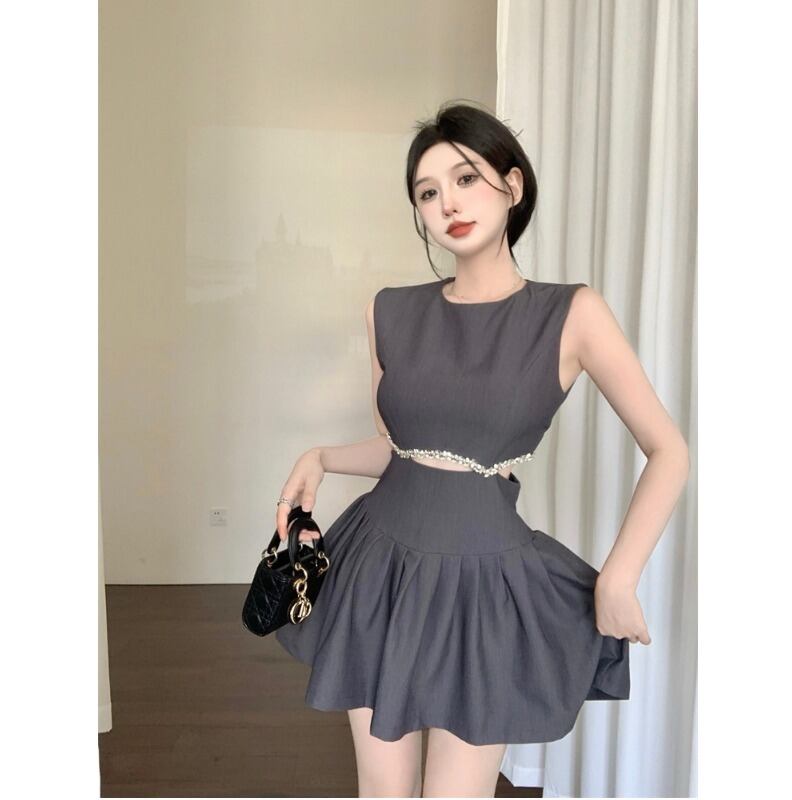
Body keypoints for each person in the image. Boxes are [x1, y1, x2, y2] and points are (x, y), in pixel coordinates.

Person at [272, 100, 691, 798]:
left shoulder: (571, 313)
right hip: (378, 570)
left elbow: (669, 450)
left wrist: (619, 577)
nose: (448, 204)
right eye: (427, 192)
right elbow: (403, 449)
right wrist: (320, 457)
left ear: (512, 184)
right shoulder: (389, 310)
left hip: (481, 591)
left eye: (465, 178)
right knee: (381, 791)